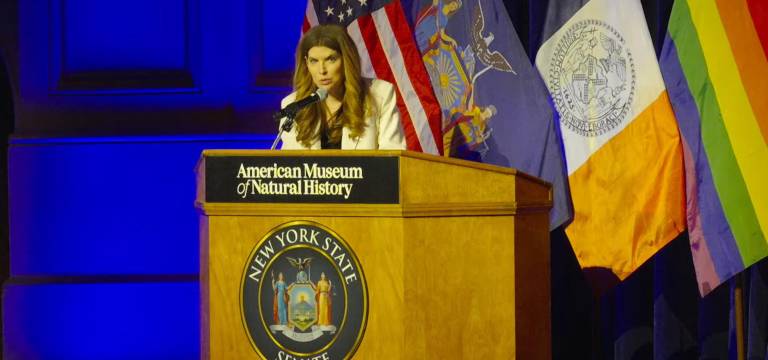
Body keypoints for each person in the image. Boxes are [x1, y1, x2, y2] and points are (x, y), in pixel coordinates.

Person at [279, 24, 406, 150]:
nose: (322, 70)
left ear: (346, 59)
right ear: (306, 63)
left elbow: (392, 159)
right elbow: (290, 166)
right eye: (314, 61)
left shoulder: (380, 95)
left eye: (331, 59)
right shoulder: (293, 105)